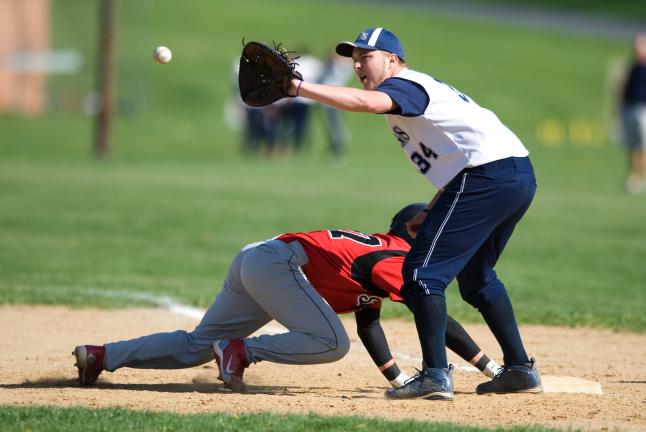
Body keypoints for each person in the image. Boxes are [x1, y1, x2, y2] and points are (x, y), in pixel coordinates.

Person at [286, 27, 542, 400]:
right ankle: (519, 369)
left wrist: (299, 89)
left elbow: (363, 103)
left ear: (392, 60)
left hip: (488, 176)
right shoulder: (413, 91)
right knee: (477, 278)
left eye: (366, 57)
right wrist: (437, 207)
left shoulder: (404, 85)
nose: (358, 65)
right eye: (354, 59)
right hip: (513, 174)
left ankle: (436, 376)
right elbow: (461, 152)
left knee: (421, 274)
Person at [73, 203, 502, 393]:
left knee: (194, 348)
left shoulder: (380, 252)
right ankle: (241, 350)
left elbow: (369, 321)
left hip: (261, 261)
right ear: (413, 227)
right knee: (333, 344)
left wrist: (397, 379)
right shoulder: (398, 256)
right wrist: (489, 366)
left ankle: (101, 355)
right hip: (279, 267)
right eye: (430, 219)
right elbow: (436, 317)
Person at [620, 33, 646, 194]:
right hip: (630, 109)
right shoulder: (633, 68)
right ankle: (633, 178)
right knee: (632, 146)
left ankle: (642, 177)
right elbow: (624, 90)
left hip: (644, 111)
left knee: (643, 147)